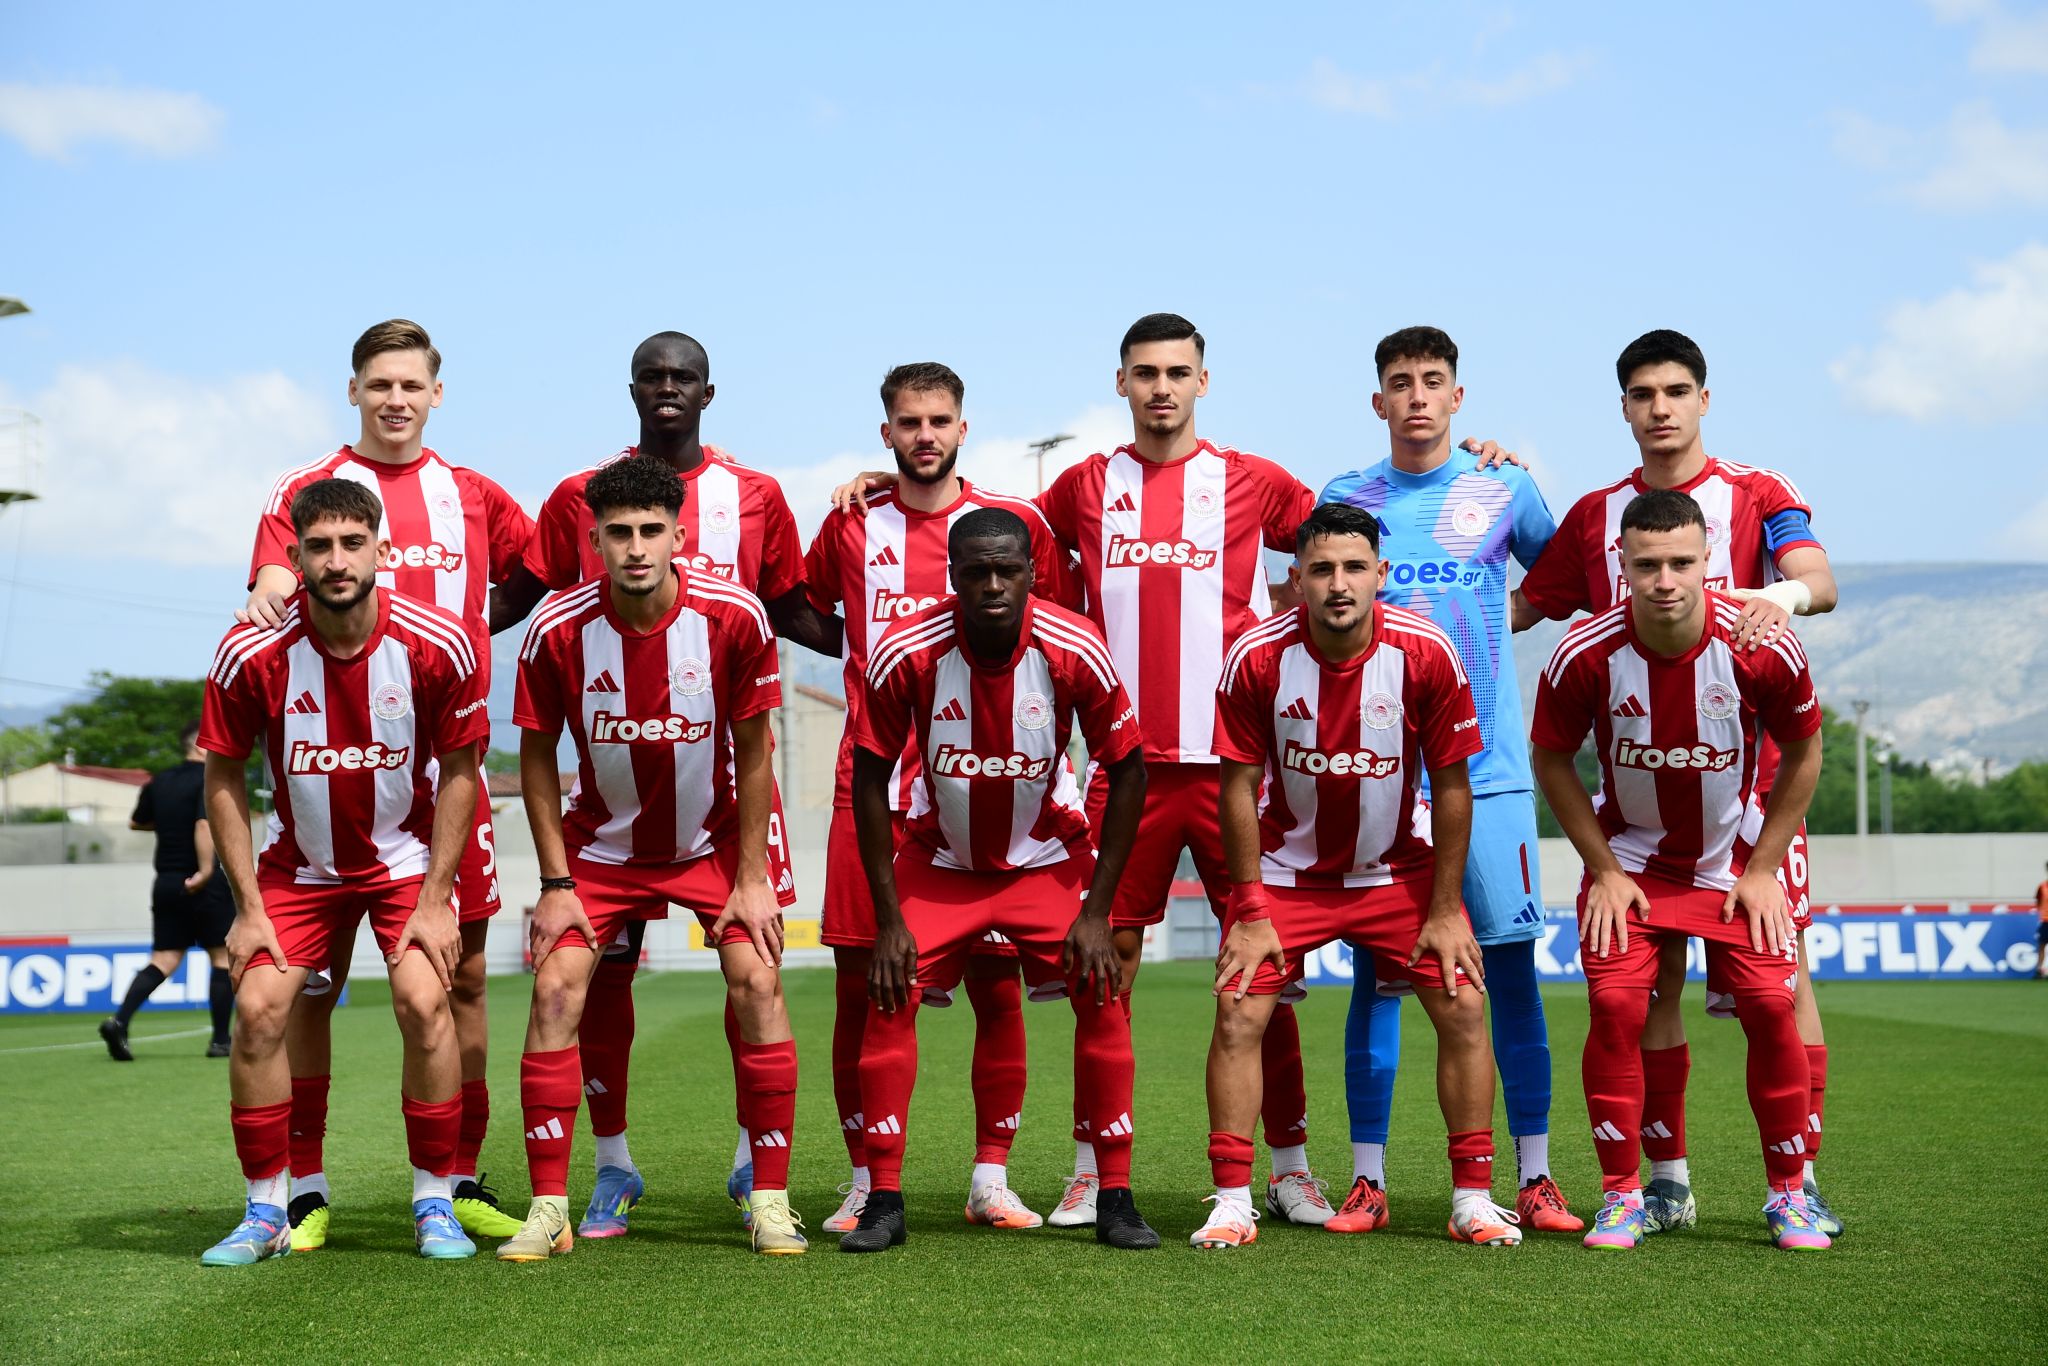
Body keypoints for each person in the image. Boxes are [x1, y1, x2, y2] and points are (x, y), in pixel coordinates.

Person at [834, 314, 1332, 1228]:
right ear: (1121, 383)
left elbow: (1338, 547)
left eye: (1177, 372)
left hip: (1230, 766)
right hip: (1122, 773)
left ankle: (1290, 1167)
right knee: (1105, 968)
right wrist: (895, 482)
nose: (1161, 388)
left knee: (1260, 967)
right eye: (1145, 372)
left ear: (1203, 382)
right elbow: (989, 535)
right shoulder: (1084, 485)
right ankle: (1090, 1172)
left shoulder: (1252, 479)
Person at [490, 330, 831, 1236]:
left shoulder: (736, 604)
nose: (635, 547)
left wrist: (752, 876)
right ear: (593, 538)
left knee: (756, 980)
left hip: (718, 833)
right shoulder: (559, 625)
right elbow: (534, 752)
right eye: (619, 534)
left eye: (651, 532)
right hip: (605, 842)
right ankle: (580, 1189)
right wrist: (555, 883)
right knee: (567, 988)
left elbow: (757, 740)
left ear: (681, 535)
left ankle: (764, 1188)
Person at [1512, 328, 1843, 1239]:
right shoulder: (1595, 516)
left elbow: (1818, 580)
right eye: (1643, 393)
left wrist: (1779, 600)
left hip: (1754, 801)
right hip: (1637, 806)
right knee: (1640, 991)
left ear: (1704, 398)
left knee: (1781, 987)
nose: (1660, 407)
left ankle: (1800, 1180)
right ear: (1623, 407)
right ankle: (1662, 1183)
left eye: (1676, 390)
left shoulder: (1758, 492)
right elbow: (1526, 605)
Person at [241, 319, 532, 1248]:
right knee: (307, 990)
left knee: (461, 979)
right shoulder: (310, 489)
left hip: (444, 775)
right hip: (334, 769)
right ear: (355, 391)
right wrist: (267, 591)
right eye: (380, 385)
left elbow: (545, 568)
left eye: (411, 385)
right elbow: (270, 586)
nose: (396, 400)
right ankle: (305, 1189)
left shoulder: (474, 493)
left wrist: (473, 631)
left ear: (436, 394)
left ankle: (457, 1179)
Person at [1317, 327, 1579, 1235]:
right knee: (1380, 978)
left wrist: (1502, 618)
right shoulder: (1346, 497)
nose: (1418, 396)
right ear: (1379, 401)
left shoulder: (1502, 485)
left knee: (1509, 974)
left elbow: (1566, 577)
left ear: (1458, 397)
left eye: (1434, 381)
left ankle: (1535, 1176)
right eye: (1401, 382)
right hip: (1383, 781)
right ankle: (1368, 1181)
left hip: (1489, 772)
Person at [1200, 502, 1517, 1249]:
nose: (1338, 584)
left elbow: (1453, 787)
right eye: (1321, 570)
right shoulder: (1257, 657)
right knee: (1239, 1011)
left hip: (1396, 872)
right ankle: (1232, 1201)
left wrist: (1446, 909)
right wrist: (1250, 908)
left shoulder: (1426, 652)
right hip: (1288, 873)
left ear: (1381, 574)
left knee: (1465, 1007)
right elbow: (1236, 788)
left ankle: (1473, 1197)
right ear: (1296, 579)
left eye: (1353, 568)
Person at [841, 507, 1158, 1253]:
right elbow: (868, 778)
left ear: (1031, 575)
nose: (992, 585)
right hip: (942, 863)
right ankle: (883, 1199)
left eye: (1006, 570)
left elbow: (1129, 770)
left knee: (1103, 990)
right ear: (952, 577)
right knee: (888, 993)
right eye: (976, 571)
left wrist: (1098, 911)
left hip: (1045, 859)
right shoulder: (907, 649)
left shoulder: (1074, 646)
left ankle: (1115, 1195)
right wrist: (889, 922)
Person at [801, 363, 1065, 1233]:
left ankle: (991, 1177)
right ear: (886, 432)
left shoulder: (1010, 527)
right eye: (909, 422)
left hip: (987, 781)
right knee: (863, 988)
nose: (925, 435)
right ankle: (864, 1179)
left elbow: (1054, 636)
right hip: (872, 786)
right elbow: (803, 610)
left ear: (963, 427)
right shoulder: (851, 524)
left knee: (997, 985)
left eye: (939, 420)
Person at [196, 477, 486, 1265]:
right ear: (294, 557)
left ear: (382, 551)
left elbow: (463, 772)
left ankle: (433, 1200)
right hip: (300, 868)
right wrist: (247, 907)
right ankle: (268, 1208)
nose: (336, 560)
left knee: (425, 1001)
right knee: (258, 1009)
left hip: (404, 862)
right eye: (319, 547)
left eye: (352, 543)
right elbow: (222, 775)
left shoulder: (437, 642)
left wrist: (436, 899)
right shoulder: (251, 653)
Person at [99, 720, 235, 1059]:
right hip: (202, 881)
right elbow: (203, 824)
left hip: (167, 882)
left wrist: (170, 821)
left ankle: (119, 1021)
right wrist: (206, 870)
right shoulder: (209, 778)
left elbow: (137, 822)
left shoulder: (159, 781)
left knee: (164, 959)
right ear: (201, 745)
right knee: (222, 957)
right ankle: (221, 1040)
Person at [2034, 863, 2048, 981]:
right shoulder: (2042, 887)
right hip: (2045, 921)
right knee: (2042, 946)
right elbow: (2038, 903)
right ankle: (2039, 971)